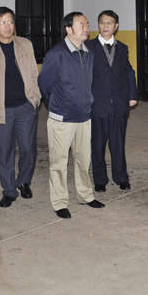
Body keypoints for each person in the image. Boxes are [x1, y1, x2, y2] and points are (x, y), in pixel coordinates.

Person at [38, 12, 104, 219]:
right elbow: (44, 84)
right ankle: (59, 203)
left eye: (87, 24)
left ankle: (85, 195)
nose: (86, 28)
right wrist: (58, 104)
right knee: (59, 163)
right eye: (81, 24)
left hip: (84, 116)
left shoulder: (88, 52)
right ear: (68, 29)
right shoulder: (57, 53)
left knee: (84, 160)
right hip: (62, 118)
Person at [0, 7, 41, 208]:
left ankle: (24, 182)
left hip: (25, 107)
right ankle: (9, 190)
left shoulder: (25, 44)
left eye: (10, 21)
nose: (8, 26)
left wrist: (35, 99)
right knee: (4, 153)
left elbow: (33, 74)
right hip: (0, 110)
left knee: (28, 149)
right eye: (3, 22)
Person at [85, 10, 138, 192]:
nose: (106, 26)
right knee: (97, 144)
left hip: (119, 104)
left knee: (118, 143)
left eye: (109, 23)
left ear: (116, 26)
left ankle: (121, 177)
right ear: (98, 25)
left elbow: (129, 72)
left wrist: (132, 95)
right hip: (97, 104)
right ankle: (100, 179)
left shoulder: (122, 47)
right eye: (102, 22)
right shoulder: (88, 47)